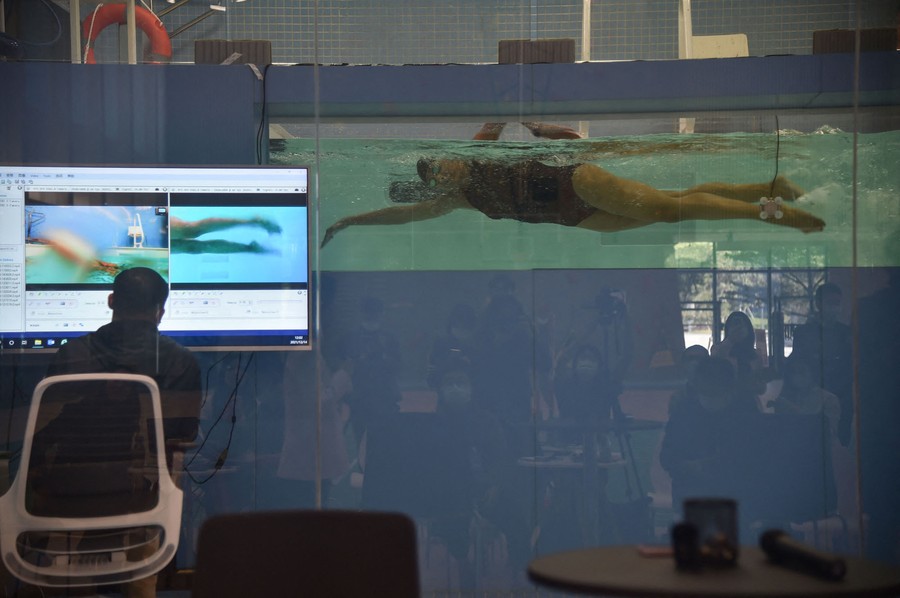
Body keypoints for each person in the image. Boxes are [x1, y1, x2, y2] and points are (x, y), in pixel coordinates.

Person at [321, 123, 825, 248]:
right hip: (580, 216)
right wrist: (347, 220)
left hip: (578, 181)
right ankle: (769, 183)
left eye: (439, 166)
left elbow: (502, 106)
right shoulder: (455, 200)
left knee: (672, 211)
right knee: (672, 203)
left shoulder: (474, 148)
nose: (444, 174)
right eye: (435, 179)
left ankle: (770, 210)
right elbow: (397, 215)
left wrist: (548, 129)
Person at [46, 266, 201, 598]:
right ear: (161, 311)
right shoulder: (181, 362)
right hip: (141, 500)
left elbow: (48, 429)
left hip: (68, 496)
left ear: (111, 300)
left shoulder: (70, 355)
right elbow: (182, 437)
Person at [790, 282, 853, 446]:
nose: (835, 307)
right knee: (811, 442)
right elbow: (797, 365)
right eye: (830, 303)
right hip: (812, 396)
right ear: (819, 304)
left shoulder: (847, 333)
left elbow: (852, 364)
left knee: (840, 442)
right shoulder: (804, 334)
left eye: (837, 303)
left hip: (842, 396)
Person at [710, 311, 766, 409]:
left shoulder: (756, 355)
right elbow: (714, 368)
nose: (738, 329)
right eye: (734, 325)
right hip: (725, 403)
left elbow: (761, 387)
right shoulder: (718, 349)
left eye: (742, 326)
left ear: (748, 330)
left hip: (749, 404)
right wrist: (730, 339)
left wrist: (754, 384)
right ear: (728, 329)